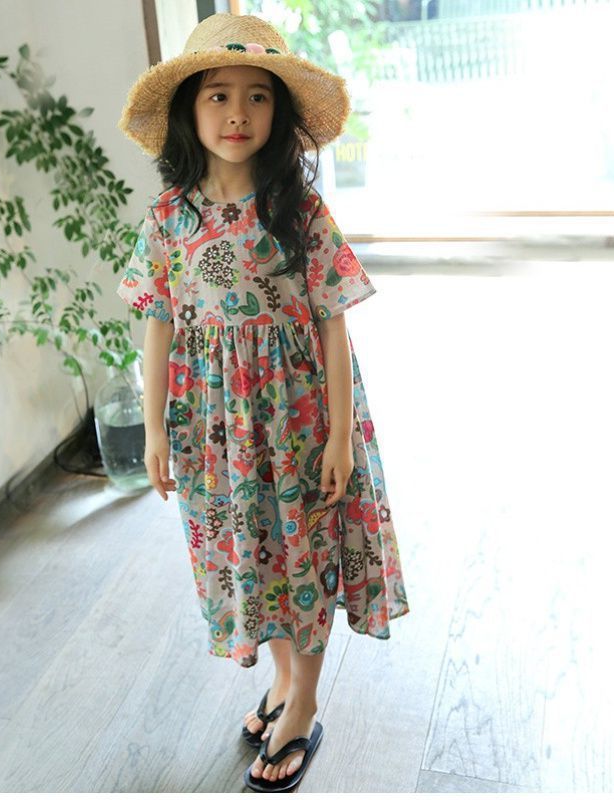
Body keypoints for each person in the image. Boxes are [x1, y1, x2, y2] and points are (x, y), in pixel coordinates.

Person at [116, 12, 410, 792]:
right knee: (253, 554)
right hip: (213, 429)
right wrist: (155, 430)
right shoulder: (168, 220)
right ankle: (281, 679)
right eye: (218, 95)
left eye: (257, 96)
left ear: (279, 113)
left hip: (299, 419)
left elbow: (334, 323)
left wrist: (339, 436)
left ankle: (304, 702)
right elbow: (157, 325)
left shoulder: (298, 211)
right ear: (189, 109)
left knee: (302, 551)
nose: (237, 113)